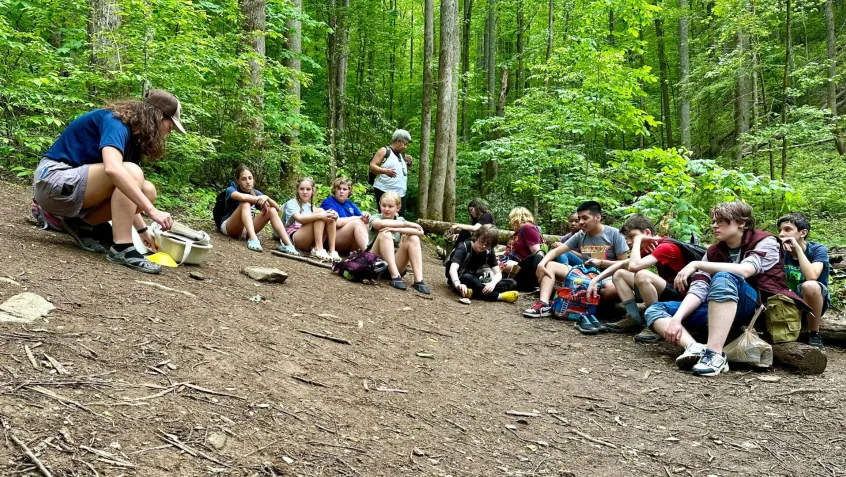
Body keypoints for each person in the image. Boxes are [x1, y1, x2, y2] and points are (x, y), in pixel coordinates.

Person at [644, 201, 808, 377]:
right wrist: (677, 319)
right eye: (713, 221)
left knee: (724, 276)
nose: (715, 226)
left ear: (741, 222)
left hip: (756, 307)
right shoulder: (714, 251)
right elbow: (699, 289)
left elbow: (746, 270)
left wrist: (696, 263)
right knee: (655, 309)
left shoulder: (765, 241)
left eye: (721, 221)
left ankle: (714, 355)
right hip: (718, 305)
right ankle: (694, 348)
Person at [32, 89, 182, 274]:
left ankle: (81, 226)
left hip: (73, 188)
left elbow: (125, 189)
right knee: (130, 172)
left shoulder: (133, 138)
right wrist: (152, 211)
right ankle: (122, 248)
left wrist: (143, 231)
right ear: (158, 116)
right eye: (171, 125)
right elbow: (113, 169)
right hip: (53, 180)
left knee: (147, 190)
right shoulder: (116, 122)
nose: (170, 131)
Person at [586, 214, 688, 342]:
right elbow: (622, 264)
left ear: (646, 233)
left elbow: (634, 266)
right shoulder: (652, 245)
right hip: (668, 291)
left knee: (642, 274)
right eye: (626, 238)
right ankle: (634, 318)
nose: (628, 242)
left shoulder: (666, 247)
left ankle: (654, 323)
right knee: (619, 274)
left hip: (683, 295)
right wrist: (595, 280)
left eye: (632, 236)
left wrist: (638, 240)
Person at [523, 201, 629, 318]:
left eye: (585, 218)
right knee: (551, 266)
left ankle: (594, 305)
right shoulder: (580, 235)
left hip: (607, 276)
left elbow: (624, 263)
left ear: (597, 218)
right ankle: (543, 304)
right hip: (584, 274)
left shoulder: (614, 234)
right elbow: (557, 251)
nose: (581, 222)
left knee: (611, 289)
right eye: (579, 218)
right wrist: (541, 264)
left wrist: (602, 262)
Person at [777, 212, 830, 349]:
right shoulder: (778, 250)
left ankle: (814, 333)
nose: (782, 234)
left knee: (810, 286)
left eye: (787, 229)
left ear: (803, 232)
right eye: (780, 230)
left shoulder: (818, 250)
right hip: (786, 300)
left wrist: (798, 249)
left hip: (813, 300)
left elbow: (812, 276)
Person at [218, 165, 298, 254]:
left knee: (271, 210)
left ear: (253, 179)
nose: (248, 182)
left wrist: (267, 198)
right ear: (238, 181)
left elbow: (277, 209)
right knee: (245, 203)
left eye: (250, 178)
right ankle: (253, 239)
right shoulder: (231, 189)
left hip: (247, 229)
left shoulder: (256, 193)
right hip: (230, 227)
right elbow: (242, 197)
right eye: (244, 179)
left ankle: (288, 244)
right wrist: (259, 199)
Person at [367, 191, 430, 294]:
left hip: (395, 262)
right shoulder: (375, 218)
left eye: (390, 206)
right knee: (385, 233)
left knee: (414, 238)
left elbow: (420, 233)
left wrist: (399, 229)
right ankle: (395, 277)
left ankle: (418, 281)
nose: (386, 209)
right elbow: (381, 224)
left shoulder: (400, 220)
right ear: (380, 205)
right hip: (374, 263)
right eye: (384, 205)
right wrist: (407, 224)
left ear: (398, 208)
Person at [445, 225, 519, 302]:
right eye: (482, 241)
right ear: (476, 237)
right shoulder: (463, 247)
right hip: (458, 279)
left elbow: (498, 273)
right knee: (467, 277)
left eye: (487, 244)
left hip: (478, 280)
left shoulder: (489, 251)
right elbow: (453, 269)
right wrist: (457, 284)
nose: (483, 246)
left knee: (512, 282)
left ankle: (472, 293)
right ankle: (499, 296)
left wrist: (492, 283)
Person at [282, 178, 339, 261]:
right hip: (295, 237)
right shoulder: (292, 203)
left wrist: (335, 215)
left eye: (308, 189)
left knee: (328, 215)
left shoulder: (312, 207)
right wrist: (320, 215)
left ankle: (332, 250)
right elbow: (300, 219)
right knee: (320, 213)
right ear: (297, 190)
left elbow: (323, 216)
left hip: (308, 241)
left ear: (312, 191)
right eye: (302, 189)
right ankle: (318, 248)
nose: (305, 192)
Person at [500, 207, 546, 292]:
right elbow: (513, 251)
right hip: (512, 262)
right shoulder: (518, 233)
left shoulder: (528, 228)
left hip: (522, 266)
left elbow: (538, 254)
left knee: (499, 264)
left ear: (516, 218)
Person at [320, 177, 370, 254]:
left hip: (347, 241)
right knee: (357, 222)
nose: (341, 191)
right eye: (339, 188)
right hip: (332, 239)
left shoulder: (350, 203)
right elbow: (337, 222)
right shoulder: (329, 202)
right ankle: (369, 255)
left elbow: (362, 218)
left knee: (368, 223)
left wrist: (366, 216)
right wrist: (358, 218)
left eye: (345, 189)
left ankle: (369, 252)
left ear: (349, 191)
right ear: (334, 190)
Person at [370, 129, 413, 214]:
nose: (405, 147)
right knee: (387, 219)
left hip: (400, 194)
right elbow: (372, 166)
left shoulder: (400, 155)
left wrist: (408, 165)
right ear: (398, 141)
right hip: (385, 191)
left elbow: (400, 174)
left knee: (399, 220)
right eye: (405, 144)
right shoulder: (385, 151)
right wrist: (385, 171)